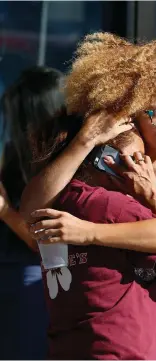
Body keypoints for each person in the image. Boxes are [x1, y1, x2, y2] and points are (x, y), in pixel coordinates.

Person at [20, 33, 156, 360]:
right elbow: (30, 209)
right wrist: (85, 141)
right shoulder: (103, 165)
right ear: (131, 113)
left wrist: (88, 232)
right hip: (109, 335)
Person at [0, 65, 70, 359]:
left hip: (34, 284)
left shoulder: (63, 165)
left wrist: (4, 210)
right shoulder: (16, 154)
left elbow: (47, 243)